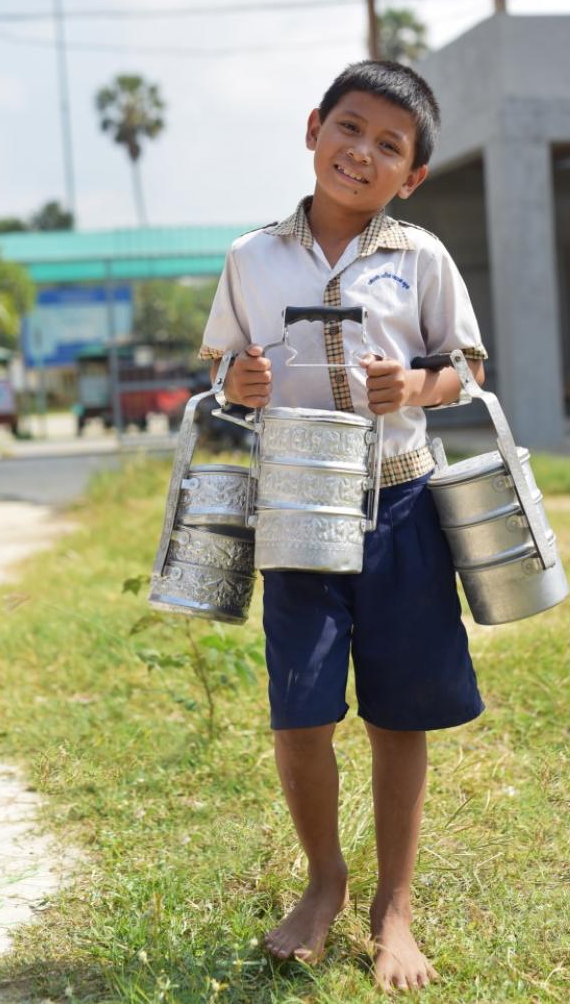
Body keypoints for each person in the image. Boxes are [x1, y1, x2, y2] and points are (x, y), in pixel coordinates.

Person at [200, 60, 487, 992]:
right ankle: (323, 883)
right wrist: (234, 385)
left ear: (412, 176)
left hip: (402, 503)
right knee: (301, 711)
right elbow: (221, 379)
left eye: (389, 146)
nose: (362, 153)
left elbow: (467, 371)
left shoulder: (422, 258)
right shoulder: (252, 257)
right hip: (294, 508)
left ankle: (392, 907)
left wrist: (420, 384)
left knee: (402, 714)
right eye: (350, 129)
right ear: (314, 126)